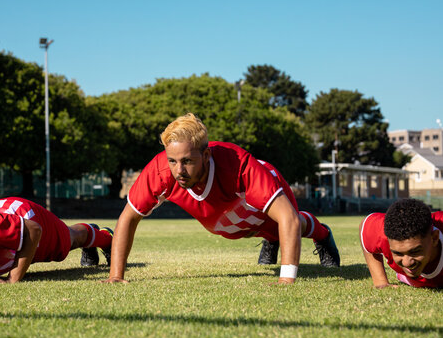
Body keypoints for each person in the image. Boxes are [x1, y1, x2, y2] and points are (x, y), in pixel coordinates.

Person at [104, 113, 340, 284]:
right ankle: (272, 239)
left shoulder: (238, 165)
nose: (179, 171)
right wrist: (116, 276)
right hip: (223, 221)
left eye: (187, 161)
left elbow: (289, 218)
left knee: (291, 224)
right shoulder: (160, 172)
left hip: (262, 195)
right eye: (173, 161)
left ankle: (322, 234)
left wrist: (287, 279)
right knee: (250, 228)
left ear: (206, 155)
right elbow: (128, 217)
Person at [360, 198, 443, 288]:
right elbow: (365, 228)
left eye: (415, 252)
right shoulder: (382, 234)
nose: (407, 263)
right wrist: (380, 281)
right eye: (397, 253)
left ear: (434, 238)